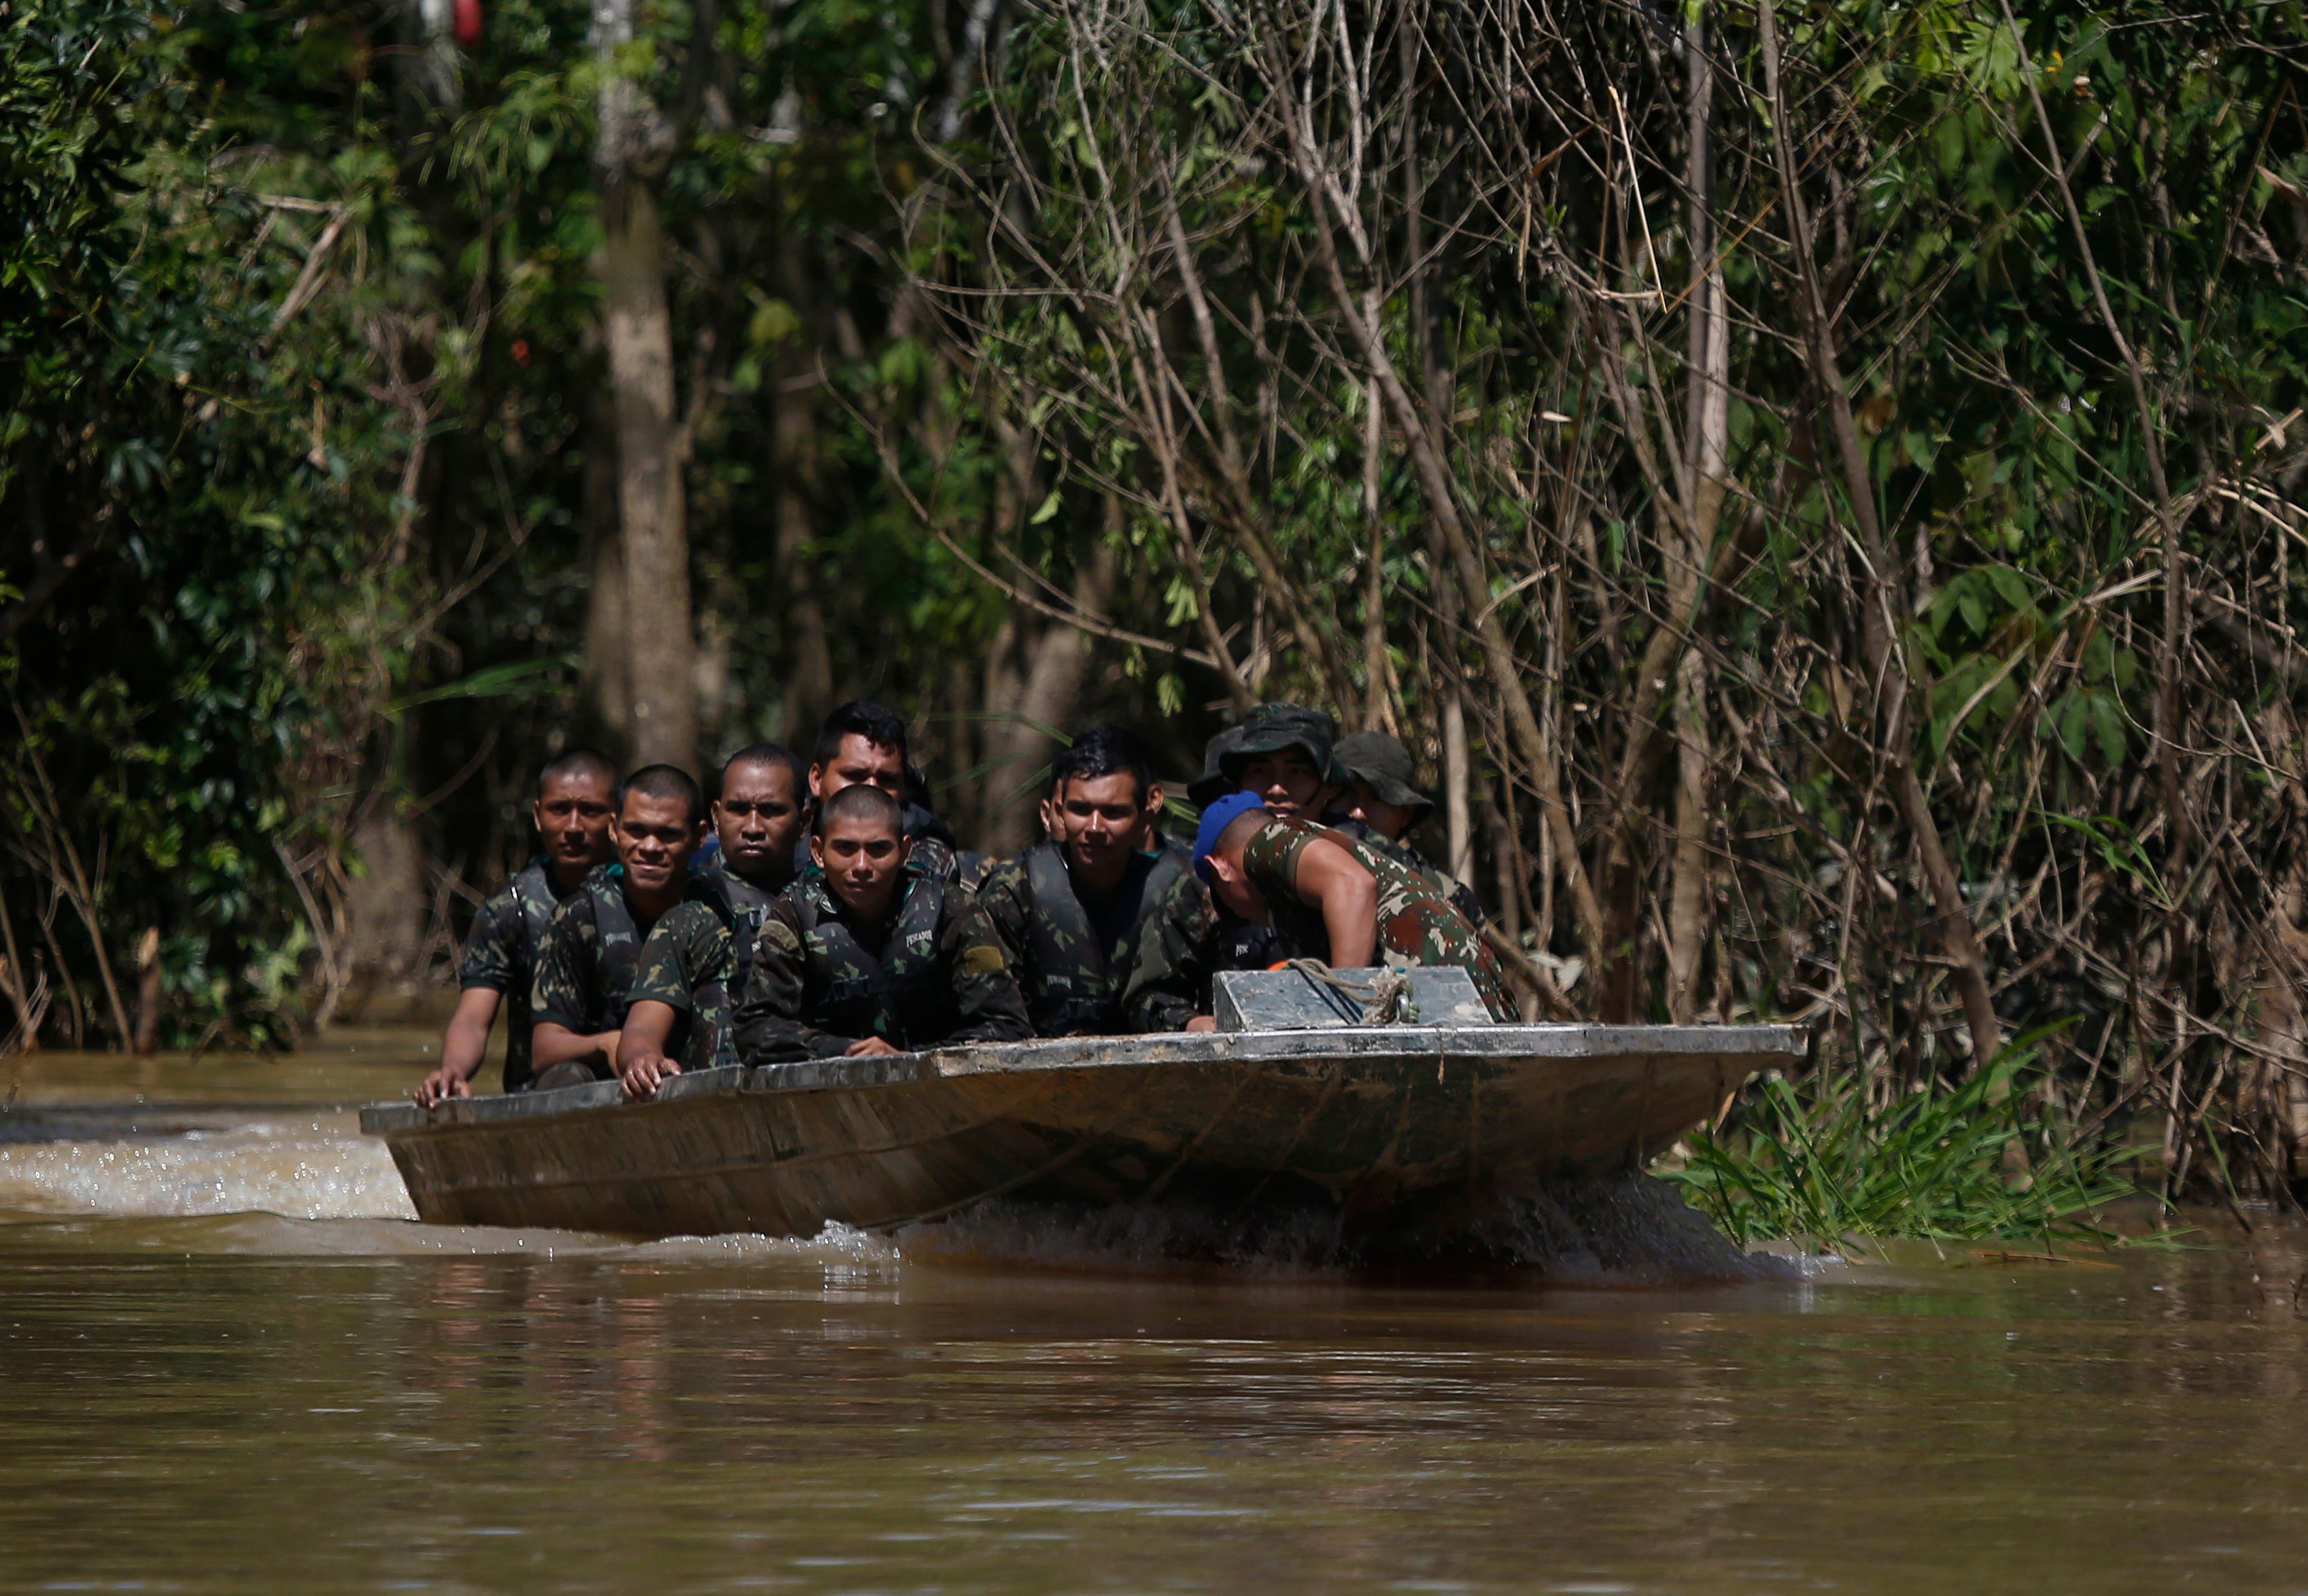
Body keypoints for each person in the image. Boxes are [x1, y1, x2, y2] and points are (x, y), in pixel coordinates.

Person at [1138, 791, 1514, 1027]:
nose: (1232, 913)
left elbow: (1352, 885)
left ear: (1220, 867)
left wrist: (1342, 1020)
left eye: (1221, 897)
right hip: (1460, 1006)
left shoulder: (1265, 846)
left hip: (1454, 1004)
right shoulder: (1302, 865)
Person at [734, 782, 1030, 1062]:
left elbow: (1006, 1027)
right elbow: (755, 1030)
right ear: (818, 852)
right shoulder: (794, 913)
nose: (861, 866)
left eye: (878, 849)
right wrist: (850, 1052)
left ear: (904, 851)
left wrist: (910, 1059)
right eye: (845, 849)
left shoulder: (951, 908)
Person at [415, 750, 619, 1106]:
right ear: (538, 817)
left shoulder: (645, 894)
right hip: (544, 1089)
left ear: (616, 819)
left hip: (635, 1074)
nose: (573, 827)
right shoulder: (509, 911)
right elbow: (474, 1019)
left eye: (590, 811)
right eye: (559, 810)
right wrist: (453, 1071)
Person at [617, 746, 810, 1100]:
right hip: (721, 1105)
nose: (753, 827)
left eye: (772, 811)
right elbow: (643, 1026)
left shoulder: (829, 908)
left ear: (804, 821)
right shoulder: (689, 920)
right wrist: (643, 1058)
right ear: (717, 818)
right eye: (739, 810)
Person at [978, 727, 1190, 1036]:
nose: (1094, 827)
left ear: (1145, 815)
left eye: (1113, 813)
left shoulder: (1183, 890)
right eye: (1080, 809)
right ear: (1058, 811)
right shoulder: (1014, 889)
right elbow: (993, 1012)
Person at [529, 764, 710, 1087]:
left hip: (696, 1078)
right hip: (607, 1086)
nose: (650, 847)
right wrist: (606, 1043)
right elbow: (545, 1049)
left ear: (699, 837)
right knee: (564, 1077)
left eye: (668, 835)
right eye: (636, 831)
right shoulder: (579, 917)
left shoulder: (716, 911)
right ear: (614, 830)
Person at [802, 700, 979, 882]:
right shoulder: (790, 826)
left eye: (887, 780)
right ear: (817, 779)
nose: (871, 789)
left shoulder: (925, 841)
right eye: (855, 776)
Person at [1326, 730, 1485, 928]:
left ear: (1405, 814)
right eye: (1345, 794)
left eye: (1376, 798)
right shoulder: (1289, 879)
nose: (1357, 813)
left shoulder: (1446, 898)